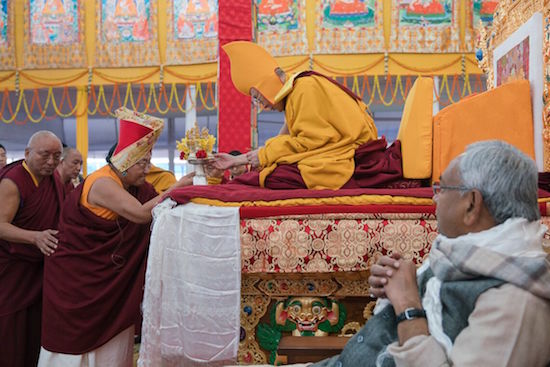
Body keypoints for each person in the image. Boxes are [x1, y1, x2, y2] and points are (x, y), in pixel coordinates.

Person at [307, 140, 550, 367]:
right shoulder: (465, 255)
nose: (435, 198)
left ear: (471, 204)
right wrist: (392, 289)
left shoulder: (514, 303)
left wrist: (408, 305)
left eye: (442, 188)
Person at [38, 108, 194, 367]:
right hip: (80, 281)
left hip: (111, 282)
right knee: (75, 348)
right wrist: (177, 189)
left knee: (113, 346)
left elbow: (160, 210)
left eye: (149, 161)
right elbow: (143, 214)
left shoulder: (135, 186)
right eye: (143, 163)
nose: (148, 169)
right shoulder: (102, 183)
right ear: (124, 161)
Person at [214, 41, 378, 190]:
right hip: (335, 148)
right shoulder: (294, 94)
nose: (263, 106)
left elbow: (312, 140)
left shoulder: (303, 89)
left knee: (276, 176)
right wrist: (236, 160)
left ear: (265, 84)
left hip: (349, 149)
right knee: (272, 171)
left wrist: (263, 156)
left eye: (258, 97)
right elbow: (284, 138)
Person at [0, 131, 64, 367]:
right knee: (9, 331)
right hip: (12, 269)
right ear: (27, 153)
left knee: (33, 330)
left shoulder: (53, 179)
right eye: (44, 155)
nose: (51, 162)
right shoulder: (12, 181)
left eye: (57, 156)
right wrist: (34, 237)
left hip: (39, 270)